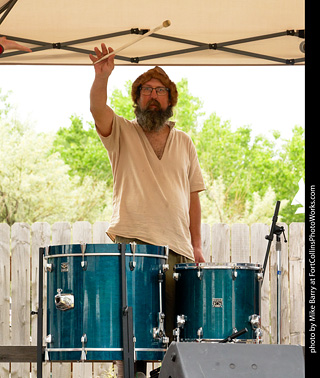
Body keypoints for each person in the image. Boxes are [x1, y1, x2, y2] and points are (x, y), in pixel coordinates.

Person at [89, 44, 206, 377]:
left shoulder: (184, 141)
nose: (153, 96)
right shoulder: (121, 132)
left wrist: (196, 245)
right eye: (146, 90)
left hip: (178, 249)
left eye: (160, 91)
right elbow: (98, 108)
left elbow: (194, 197)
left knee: (176, 331)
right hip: (133, 243)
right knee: (134, 330)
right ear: (136, 98)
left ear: (170, 99)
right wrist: (102, 76)